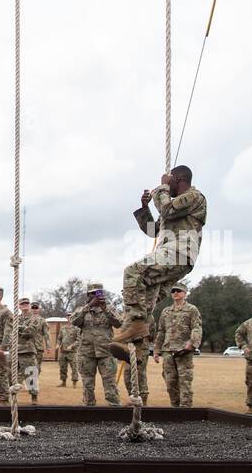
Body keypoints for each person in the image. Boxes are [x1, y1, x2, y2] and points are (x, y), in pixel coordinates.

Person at [115, 166, 207, 345]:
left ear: (178, 179)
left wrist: (162, 187)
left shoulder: (195, 197)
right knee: (146, 299)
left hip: (179, 252)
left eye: (170, 180)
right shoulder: (175, 206)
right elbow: (153, 231)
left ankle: (135, 326)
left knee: (133, 272)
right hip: (172, 255)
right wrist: (145, 208)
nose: (167, 185)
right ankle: (137, 344)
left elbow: (166, 209)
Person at [70, 284, 121, 407]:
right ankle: (89, 410)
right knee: (88, 385)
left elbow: (119, 323)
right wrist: (89, 306)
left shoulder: (109, 309)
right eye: (92, 294)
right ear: (88, 295)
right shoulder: (82, 310)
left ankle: (115, 409)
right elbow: (74, 321)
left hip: (106, 353)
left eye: (97, 294)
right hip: (86, 354)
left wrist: (105, 309)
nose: (95, 296)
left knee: (110, 384)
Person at [154, 284, 202, 407]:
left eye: (178, 291)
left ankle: (185, 409)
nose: (175, 293)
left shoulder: (192, 309)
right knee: (170, 383)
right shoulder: (166, 311)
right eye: (173, 291)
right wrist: (156, 350)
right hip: (168, 351)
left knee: (185, 381)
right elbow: (161, 331)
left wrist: (191, 344)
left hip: (183, 351)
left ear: (184, 293)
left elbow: (196, 328)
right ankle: (175, 408)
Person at [2, 297, 43, 404]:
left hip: (27, 351)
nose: (24, 305)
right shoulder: (15, 318)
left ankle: (34, 397)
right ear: (19, 306)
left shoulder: (35, 318)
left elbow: (31, 331)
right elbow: (8, 332)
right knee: (11, 375)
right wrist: (4, 346)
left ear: (29, 305)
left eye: (26, 303)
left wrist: (18, 328)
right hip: (14, 350)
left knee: (31, 374)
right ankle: (12, 396)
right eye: (22, 304)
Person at [57, 320, 80, 388]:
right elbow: (59, 338)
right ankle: (63, 382)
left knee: (74, 368)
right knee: (62, 367)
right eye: (68, 316)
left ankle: (74, 383)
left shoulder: (77, 328)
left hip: (72, 352)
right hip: (63, 351)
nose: (69, 318)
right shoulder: (63, 328)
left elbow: (79, 340)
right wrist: (58, 344)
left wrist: (72, 346)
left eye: (71, 317)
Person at [29, 303, 50, 375]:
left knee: (37, 366)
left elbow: (46, 334)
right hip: (27, 346)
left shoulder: (43, 321)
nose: (34, 310)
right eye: (33, 308)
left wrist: (48, 347)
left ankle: (34, 382)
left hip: (38, 347)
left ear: (39, 309)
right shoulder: (25, 319)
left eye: (36, 308)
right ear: (30, 308)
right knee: (27, 366)